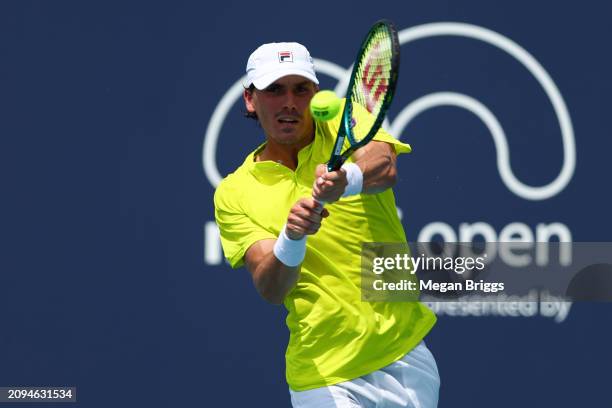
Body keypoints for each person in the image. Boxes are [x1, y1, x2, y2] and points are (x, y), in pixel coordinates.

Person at [214, 41, 440, 407]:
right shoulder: (234, 191)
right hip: (322, 373)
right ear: (250, 100)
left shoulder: (346, 120)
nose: (289, 102)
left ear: (315, 93)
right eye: (275, 90)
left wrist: (346, 180)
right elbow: (271, 288)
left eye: (300, 89)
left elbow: (384, 165)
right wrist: (292, 237)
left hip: (405, 355)